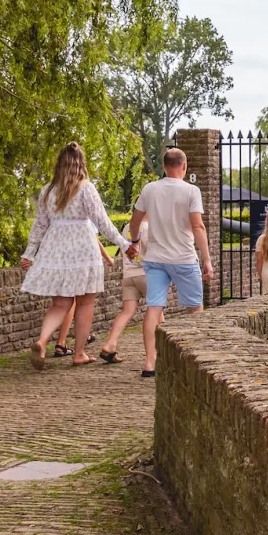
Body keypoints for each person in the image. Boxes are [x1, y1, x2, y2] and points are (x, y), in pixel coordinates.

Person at [20, 142, 129, 369]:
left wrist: (29, 253)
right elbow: (102, 222)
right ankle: (78, 353)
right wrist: (123, 243)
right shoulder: (86, 188)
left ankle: (42, 341)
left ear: (60, 163)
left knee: (60, 303)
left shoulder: (48, 190)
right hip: (82, 248)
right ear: (81, 164)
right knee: (85, 302)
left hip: (55, 248)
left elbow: (39, 225)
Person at [126, 147, 213, 378]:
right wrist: (207, 260)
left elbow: (135, 221)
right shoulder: (191, 191)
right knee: (195, 308)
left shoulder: (150, 189)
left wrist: (134, 241)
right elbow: (198, 226)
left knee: (154, 307)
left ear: (164, 167)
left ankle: (149, 363)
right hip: (183, 258)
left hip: (155, 258)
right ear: (184, 166)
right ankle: (199, 358)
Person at [97, 223, 145, 364]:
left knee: (126, 312)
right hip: (146, 273)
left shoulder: (127, 227)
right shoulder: (150, 226)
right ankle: (163, 348)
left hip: (129, 274)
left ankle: (110, 344)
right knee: (156, 310)